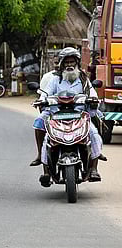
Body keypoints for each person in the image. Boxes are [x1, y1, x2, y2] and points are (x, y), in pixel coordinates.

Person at [30, 47, 106, 186]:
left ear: (77, 63)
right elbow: (45, 94)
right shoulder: (55, 79)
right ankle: (45, 169)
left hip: (79, 114)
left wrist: (93, 100)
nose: (69, 65)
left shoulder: (83, 79)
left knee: (94, 133)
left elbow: (92, 93)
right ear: (62, 64)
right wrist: (41, 100)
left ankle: (94, 168)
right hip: (56, 113)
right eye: (67, 62)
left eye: (72, 62)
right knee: (42, 127)